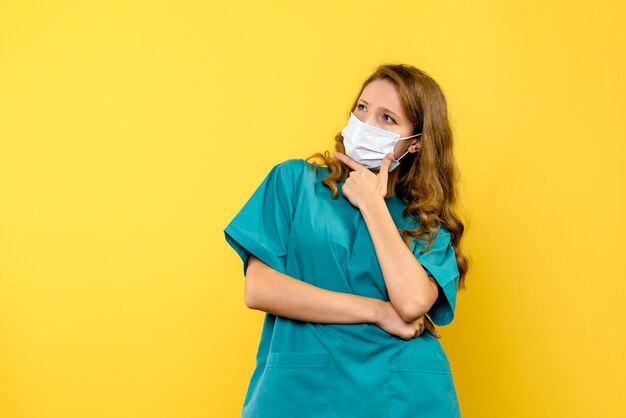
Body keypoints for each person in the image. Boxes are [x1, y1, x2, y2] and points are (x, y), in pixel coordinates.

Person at [223, 63, 469, 418]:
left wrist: (373, 205)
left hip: (401, 395)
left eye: (387, 119)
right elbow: (259, 289)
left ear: (415, 143)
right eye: (362, 108)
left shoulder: (426, 223)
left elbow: (413, 302)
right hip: (300, 393)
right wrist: (376, 311)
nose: (367, 123)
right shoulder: (295, 182)